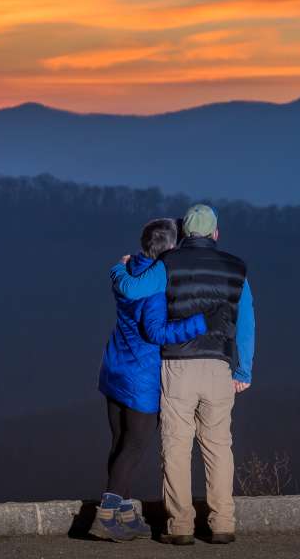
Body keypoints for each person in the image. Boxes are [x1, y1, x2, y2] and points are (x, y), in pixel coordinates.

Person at [110, 204, 255, 546]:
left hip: (178, 366)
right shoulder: (237, 269)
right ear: (216, 233)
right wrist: (243, 369)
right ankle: (222, 523)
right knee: (219, 447)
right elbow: (246, 322)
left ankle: (180, 526)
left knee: (176, 447)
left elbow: (132, 290)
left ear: (185, 234)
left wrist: (121, 267)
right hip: (220, 366)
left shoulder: (168, 263)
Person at [90, 218, 209, 543]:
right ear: (170, 248)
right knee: (135, 446)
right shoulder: (156, 284)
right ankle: (106, 516)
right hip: (140, 377)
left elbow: (121, 282)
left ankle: (125, 515)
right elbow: (156, 333)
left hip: (113, 367)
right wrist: (200, 323)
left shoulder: (130, 269)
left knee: (119, 445)